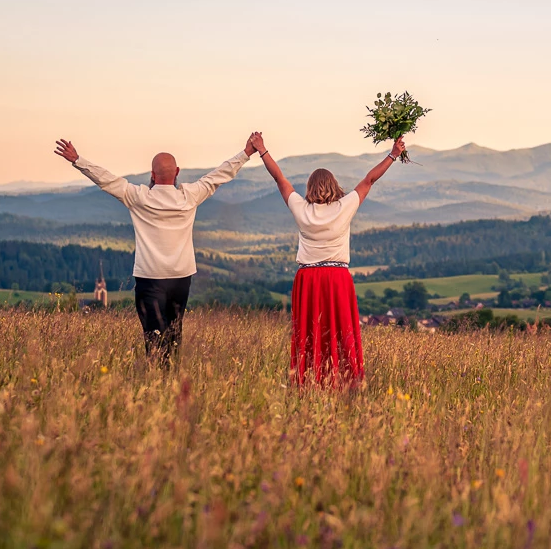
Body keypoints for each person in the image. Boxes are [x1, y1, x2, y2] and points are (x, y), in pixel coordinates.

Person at [54, 133, 260, 366]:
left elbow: (106, 180)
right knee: (174, 334)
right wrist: (246, 154)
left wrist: (77, 160)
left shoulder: (138, 197)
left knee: (153, 336)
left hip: (150, 278)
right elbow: (219, 175)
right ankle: (170, 380)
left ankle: (157, 381)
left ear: (152, 175)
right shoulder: (190, 195)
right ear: (177, 172)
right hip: (181, 278)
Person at [254, 135, 406, 385]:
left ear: (310, 188)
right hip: (337, 278)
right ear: (334, 185)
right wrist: (392, 154)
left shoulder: (301, 209)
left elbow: (279, 179)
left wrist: (262, 150)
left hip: (308, 279)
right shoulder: (344, 207)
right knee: (340, 329)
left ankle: (308, 379)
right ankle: (344, 381)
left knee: (310, 332)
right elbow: (370, 180)